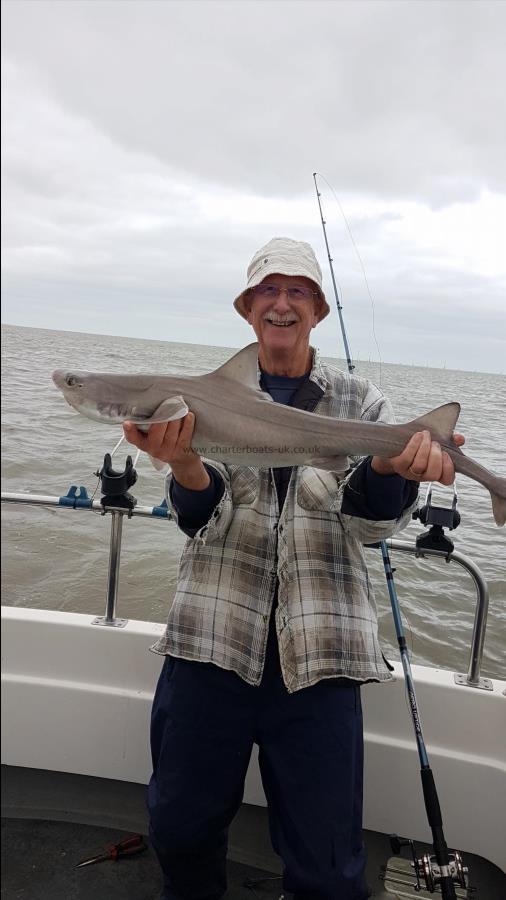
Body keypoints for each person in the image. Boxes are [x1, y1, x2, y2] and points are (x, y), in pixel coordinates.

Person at [124, 237, 464, 900]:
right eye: (268, 292)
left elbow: (369, 526)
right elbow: (202, 517)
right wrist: (188, 467)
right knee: (180, 828)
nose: (282, 303)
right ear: (247, 309)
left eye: (298, 290)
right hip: (211, 640)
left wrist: (392, 468)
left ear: (318, 309)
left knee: (330, 866)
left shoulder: (362, 404)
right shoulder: (190, 400)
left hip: (322, 653)